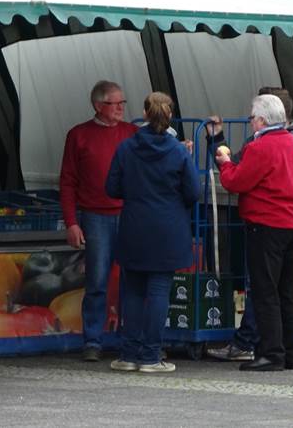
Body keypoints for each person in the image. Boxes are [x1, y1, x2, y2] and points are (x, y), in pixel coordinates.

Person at [206, 88, 293, 363]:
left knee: (265, 292)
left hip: (266, 228)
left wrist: (224, 162)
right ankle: (292, 353)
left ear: (261, 120)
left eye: (251, 118)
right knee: (289, 293)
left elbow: (236, 182)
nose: (250, 122)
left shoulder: (259, 148)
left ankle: (270, 353)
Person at [106, 91, 200, 373]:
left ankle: (128, 354)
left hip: (134, 226)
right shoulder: (179, 151)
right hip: (168, 229)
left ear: (145, 114)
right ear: (169, 116)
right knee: (159, 291)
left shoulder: (125, 147)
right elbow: (193, 192)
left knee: (132, 291)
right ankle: (150, 356)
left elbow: (111, 188)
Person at [59, 80, 137, 362]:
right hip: (94, 217)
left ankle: (132, 338)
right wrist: (72, 222)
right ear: (97, 106)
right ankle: (93, 340)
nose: (119, 109)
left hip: (127, 215)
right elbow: (67, 181)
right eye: (113, 104)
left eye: (121, 103)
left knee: (132, 280)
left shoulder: (132, 133)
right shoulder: (78, 135)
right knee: (97, 282)